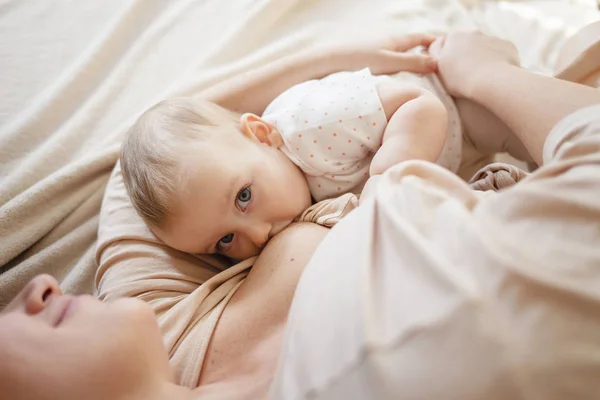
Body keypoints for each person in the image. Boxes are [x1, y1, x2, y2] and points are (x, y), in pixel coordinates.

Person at [3, 31, 600, 400]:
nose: (33, 287)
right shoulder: (403, 353)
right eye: (226, 240)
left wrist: (358, 55)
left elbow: (166, 138)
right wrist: (491, 76)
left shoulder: (156, 328)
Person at [119, 44, 530, 261]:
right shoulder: (287, 206)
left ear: (262, 134)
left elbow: (417, 102)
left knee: (530, 136)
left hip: (461, 109)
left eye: (244, 196)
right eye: (225, 241)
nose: (258, 236)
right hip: (456, 161)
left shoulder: (312, 126)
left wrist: (391, 171)